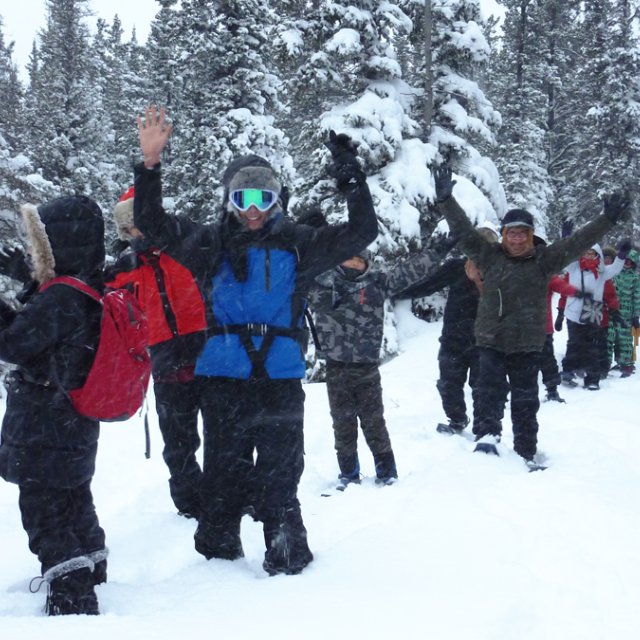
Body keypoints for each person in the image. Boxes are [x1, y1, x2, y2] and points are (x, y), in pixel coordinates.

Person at [133, 106, 378, 575]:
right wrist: (150, 165)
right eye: (243, 197)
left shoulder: (299, 242)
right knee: (224, 472)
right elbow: (153, 222)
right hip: (223, 380)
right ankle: (219, 561)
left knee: (281, 473)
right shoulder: (210, 243)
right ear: (229, 199)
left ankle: (286, 553)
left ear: (276, 201)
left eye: (262, 199)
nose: (252, 209)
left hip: (280, 380)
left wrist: (352, 179)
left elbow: (361, 232)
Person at [433, 166, 629, 467]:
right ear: (503, 235)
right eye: (511, 232)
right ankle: (487, 440)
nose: (517, 237)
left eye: (523, 232)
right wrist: (446, 199)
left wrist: (607, 219)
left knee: (525, 403)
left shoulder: (544, 260)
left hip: (527, 345)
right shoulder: (489, 256)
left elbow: (577, 242)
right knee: (488, 395)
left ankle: (525, 451)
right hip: (491, 343)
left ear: (530, 235)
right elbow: (464, 232)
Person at [0, 196, 107, 615]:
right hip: (72, 419)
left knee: (45, 511)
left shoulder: (60, 298)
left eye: (38, 243)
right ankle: (92, 564)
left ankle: (73, 595)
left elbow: (14, 343)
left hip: (46, 420)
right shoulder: (86, 284)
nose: (31, 249)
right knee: (73, 496)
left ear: (57, 246)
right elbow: (41, 332)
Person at [307, 234, 452, 488]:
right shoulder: (321, 282)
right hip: (335, 366)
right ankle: (348, 473)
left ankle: (387, 472)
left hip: (366, 368)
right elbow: (290, 265)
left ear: (368, 261)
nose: (353, 263)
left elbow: (412, 270)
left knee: (374, 422)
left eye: (359, 259)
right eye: (348, 258)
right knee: (342, 423)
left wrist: (440, 249)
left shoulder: (377, 284)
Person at [106, 187, 207, 519]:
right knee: (178, 444)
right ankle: (190, 503)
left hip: (210, 356)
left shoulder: (188, 248)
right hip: (165, 365)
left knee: (227, 434)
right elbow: (86, 291)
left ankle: (234, 493)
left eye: (141, 222)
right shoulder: (125, 267)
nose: (138, 232)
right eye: (131, 227)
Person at [393, 226, 500, 434]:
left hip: (486, 341)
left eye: (486, 247)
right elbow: (427, 285)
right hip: (453, 339)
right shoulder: (456, 267)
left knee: (483, 389)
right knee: (448, 385)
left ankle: (484, 430)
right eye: (476, 246)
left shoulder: (500, 273)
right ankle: (457, 420)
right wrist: (395, 292)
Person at [559, 243, 625, 389]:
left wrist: (621, 256)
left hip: (593, 312)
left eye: (592, 253)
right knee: (573, 343)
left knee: (593, 347)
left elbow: (616, 268)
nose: (589, 256)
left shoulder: (602, 272)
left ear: (597, 255)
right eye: (586, 253)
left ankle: (592, 379)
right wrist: (567, 239)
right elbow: (565, 255)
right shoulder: (574, 267)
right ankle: (568, 371)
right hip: (573, 312)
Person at [608, 248, 640, 377]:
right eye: (625, 260)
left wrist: (636, 315)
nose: (627, 263)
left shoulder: (635, 278)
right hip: (612, 310)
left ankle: (626, 363)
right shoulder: (614, 273)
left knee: (625, 338)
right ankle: (605, 362)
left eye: (630, 261)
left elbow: (637, 297)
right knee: (609, 336)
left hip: (626, 313)